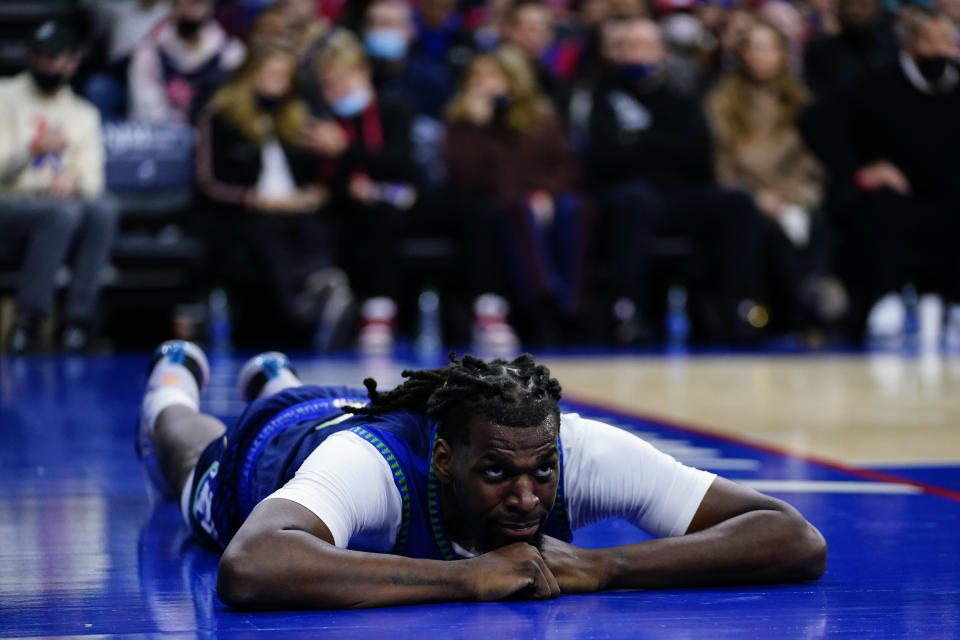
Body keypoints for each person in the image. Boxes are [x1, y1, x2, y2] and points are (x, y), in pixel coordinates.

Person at [136, 339, 827, 609]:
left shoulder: (576, 449)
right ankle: (172, 382)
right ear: (446, 461)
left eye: (541, 472)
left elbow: (794, 539)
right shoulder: (376, 467)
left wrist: (608, 565)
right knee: (190, 456)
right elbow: (250, 566)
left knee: (280, 391)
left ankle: (272, 370)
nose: (528, 497)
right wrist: (465, 577)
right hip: (279, 449)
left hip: (363, 406)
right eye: (497, 473)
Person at [581, 17, 765, 343]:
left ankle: (734, 306)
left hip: (680, 195)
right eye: (626, 46)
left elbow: (700, 154)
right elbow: (603, 158)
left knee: (737, 202)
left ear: (661, 52)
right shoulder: (600, 94)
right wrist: (660, 145)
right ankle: (628, 311)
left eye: (643, 45)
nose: (634, 53)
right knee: (634, 200)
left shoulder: (682, 94)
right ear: (614, 52)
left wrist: (640, 141)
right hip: (627, 196)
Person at [803, 8, 960, 340]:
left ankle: (953, 304)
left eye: (948, 42)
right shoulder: (876, 85)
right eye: (930, 42)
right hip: (895, 199)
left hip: (948, 198)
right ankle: (883, 300)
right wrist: (857, 170)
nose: (940, 51)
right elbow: (814, 121)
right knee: (880, 205)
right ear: (908, 46)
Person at [194, 43, 343, 347]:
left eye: (284, 77)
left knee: (316, 224)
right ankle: (299, 312)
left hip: (292, 207)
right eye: (270, 74)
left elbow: (316, 174)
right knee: (266, 230)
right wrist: (255, 199)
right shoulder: (220, 117)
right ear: (249, 75)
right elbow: (207, 182)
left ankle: (324, 286)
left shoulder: (295, 120)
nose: (277, 84)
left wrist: (315, 192)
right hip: (240, 212)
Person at [706, 21, 844, 333]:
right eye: (754, 48)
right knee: (761, 225)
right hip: (743, 196)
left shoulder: (802, 101)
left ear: (783, 54)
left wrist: (791, 196)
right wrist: (757, 196)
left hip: (792, 195)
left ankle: (809, 298)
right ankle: (804, 307)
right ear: (740, 55)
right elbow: (720, 162)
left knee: (811, 223)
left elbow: (811, 161)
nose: (761, 56)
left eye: (769, 47)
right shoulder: (720, 103)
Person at [444, 45, 588, 344]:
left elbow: (565, 165)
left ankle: (573, 305)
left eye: (491, 75)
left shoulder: (542, 117)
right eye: (475, 76)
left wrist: (545, 192)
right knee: (517, 210)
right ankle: (541, 301)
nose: (481, 83)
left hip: (542, 196)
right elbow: (468, 175)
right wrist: (479, 127)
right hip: (497, 201)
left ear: (514, 79)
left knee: (575, 207)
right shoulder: (462, 122)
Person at [0, 22, 120, 353]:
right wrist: (32, 151)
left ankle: (76, 322)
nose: (45, 64)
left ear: (72, 62)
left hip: (63, 205)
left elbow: (94, 183)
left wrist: (72, 182)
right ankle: (29, 320)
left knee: (103, 208)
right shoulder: (3, 95)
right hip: (9, 204)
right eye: (39, 55)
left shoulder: (83, 113)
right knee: (61, 213)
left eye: (54, 57)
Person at [300, 29, 419, 352]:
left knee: (386, 217)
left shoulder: (393, 109)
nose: (336, 91)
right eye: (328, 84)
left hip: (389, 204)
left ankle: (379, 311)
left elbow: (404, 167)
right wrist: (347, 185)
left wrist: (345, 149)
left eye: (343, 80)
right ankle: (331, 309)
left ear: (363, 73)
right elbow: (314, 178)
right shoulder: (319, 118)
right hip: (339, 206)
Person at [129, 0, 245, 124]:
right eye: (179, 3)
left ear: (209, 8)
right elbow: (146, 109)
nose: (186, 11)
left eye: (194, 3)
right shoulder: (150, 50)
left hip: (211, 133)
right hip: (164, 132)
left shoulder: (230, 52)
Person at [802, 0, 899, 102]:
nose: (853, 11)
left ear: (876, 8)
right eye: (846, 5)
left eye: (862, 5)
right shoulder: (819, 52)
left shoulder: (893, 48)